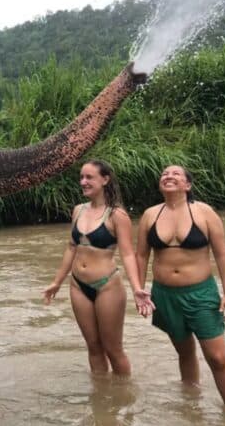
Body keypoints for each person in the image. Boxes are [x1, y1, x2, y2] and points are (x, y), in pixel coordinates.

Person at [135, 165, 225, 408]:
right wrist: (139, 289)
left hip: (200, 294)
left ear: (187, 185)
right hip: (165, 295)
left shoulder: (204, 212)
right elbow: (141, 255)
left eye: (176, 174)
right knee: (184, 351)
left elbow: (222, 255)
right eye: (164, 174)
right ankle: (192, 406)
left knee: (217, 358)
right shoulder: (150, 215)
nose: (168, 176)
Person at [43, 159, 153, 375]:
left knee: (113, 349)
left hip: (107, 285)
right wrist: (57, 282)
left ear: (105, 179)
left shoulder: (117, 215)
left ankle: (124, 398)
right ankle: (102, 400)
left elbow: (128, 254)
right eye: (81, 177)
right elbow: (71, 247)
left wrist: (137, 288)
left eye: (89, 177)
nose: (83, 181)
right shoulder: (78, 210)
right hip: (77, 285)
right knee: (93, 347)